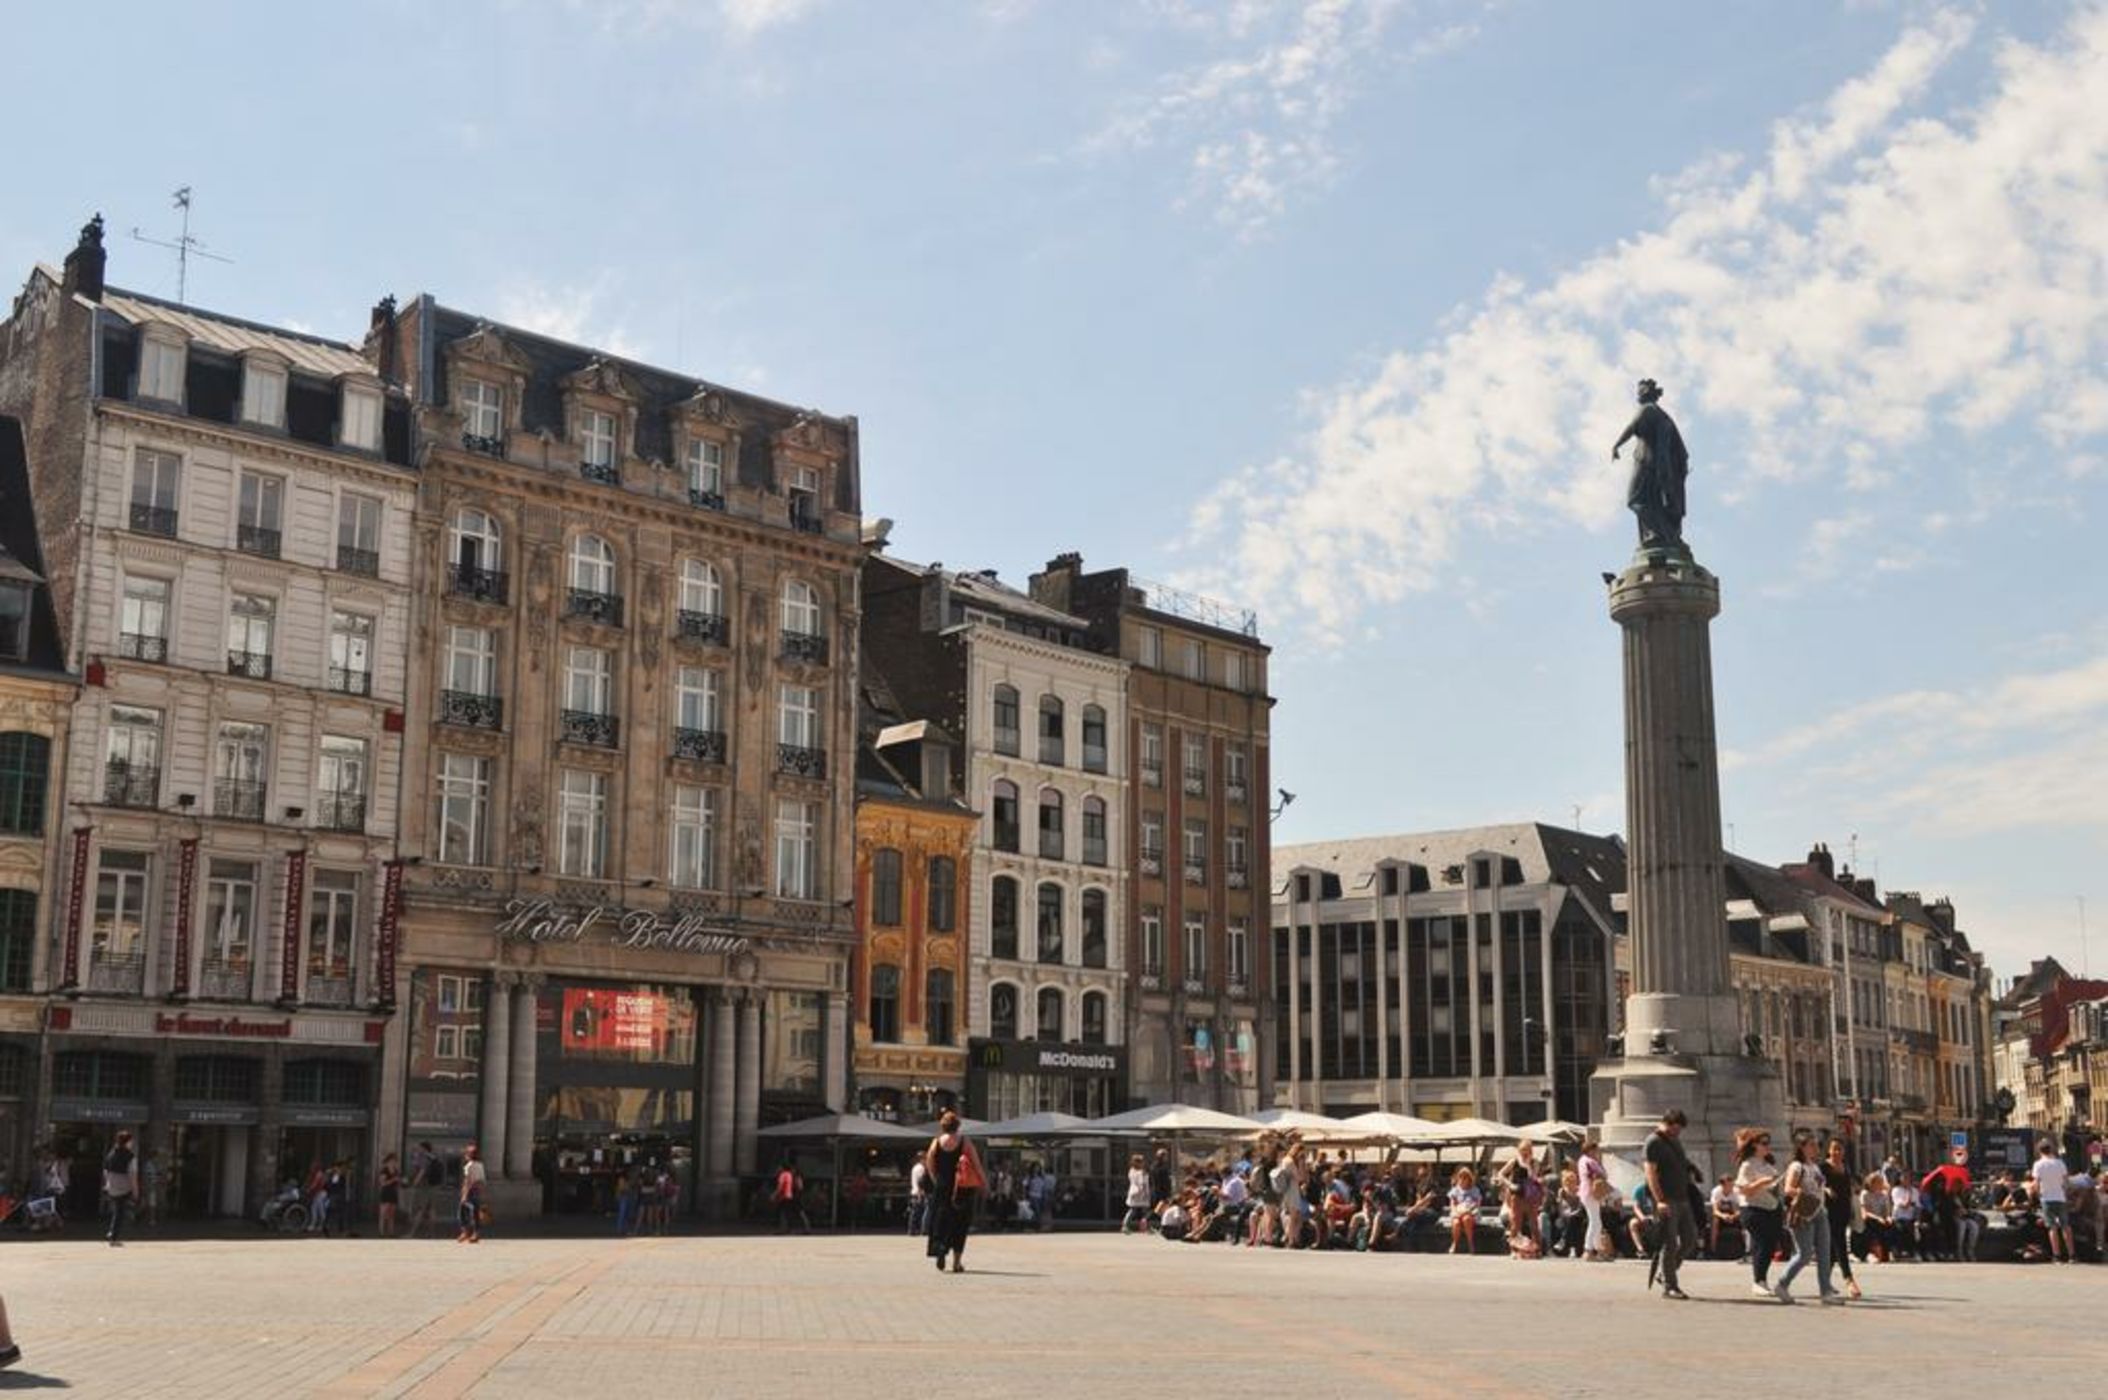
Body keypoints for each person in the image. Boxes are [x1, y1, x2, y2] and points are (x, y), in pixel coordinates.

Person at [1774, 1136, 1842, 1305]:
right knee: (1804, 1254)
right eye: (1811, 1145)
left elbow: (1816, 1185)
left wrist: (1825, 1190)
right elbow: (1788, 1188)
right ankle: (1782, 1284)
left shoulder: (1815, 1166)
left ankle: (1826, 1292)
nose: (1816, 1148)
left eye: (1816, 1145)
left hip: (1820, 1211)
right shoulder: (1797, 1166)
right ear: (1802, 1147)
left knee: (1825, 1253)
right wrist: (1801, 1194)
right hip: (1803, 1212)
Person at [1640, 1109, 1699, 1300]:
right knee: (1670, 1243)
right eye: (1677, 1128)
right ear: (1668, 1123)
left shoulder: (1674, 1140)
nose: (1678, 1132)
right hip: (1667, 1199)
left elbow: (1680, 1161)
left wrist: (1692, 1169)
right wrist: (1659, 1200)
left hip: (1682, 1197)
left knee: (1690, 1239)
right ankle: (1670, 1286)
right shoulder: (1653, 1142)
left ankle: (1664, 1273)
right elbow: (1650, 1172)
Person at [923, 1110, 984, 1274]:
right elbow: (976, 1164)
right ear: (957, 1125)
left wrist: (936, 1180)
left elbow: (929, 1162)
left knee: (940, 1220)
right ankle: (957, 1263)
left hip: (942, 1187)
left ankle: (941, 1249)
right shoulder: (964, 1141)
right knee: (960, 1223)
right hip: (961, 1188)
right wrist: (983, 1183)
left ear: (943, 1126)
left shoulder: (936, 1141)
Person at [1733, 1128, 1783, 1296]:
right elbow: (1743, 1190)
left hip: (1771, 1207)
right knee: (1762, 1244)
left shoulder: (1767, 1164)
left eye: (1768, 1143)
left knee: (1769, 1245)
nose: (1767, 1146)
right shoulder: (1748, 1164)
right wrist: (1762, 1182)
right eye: (1764, 1143)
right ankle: (1758, 1281)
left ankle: (1762, 1280)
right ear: (1754, 1145)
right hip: (1754, 1209)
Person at [1821, 1139, 1862, 1301]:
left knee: (1833, 1249)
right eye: (1834, 1149)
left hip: (1844, 1209)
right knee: (1840, 1244)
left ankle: (1825, 1282)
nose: (1837, 1152)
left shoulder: (1846, 1167)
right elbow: (1816, 1184)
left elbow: (1848, 1188)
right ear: (1829, 1150)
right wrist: (1826, 1189)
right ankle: (1849, 1280)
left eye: (1840, 1149)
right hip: (1829, 1210)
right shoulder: (1823, 1167)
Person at [2031, 1136, 2074, 1263]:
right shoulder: (2060, 1163)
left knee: (2052, 1228)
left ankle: (2057, 1256)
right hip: (2060, 1197)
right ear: (2051, 1150)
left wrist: (2039, 1195)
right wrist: (2065, 1194)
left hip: (2046, 1198)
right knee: (2066, 1227)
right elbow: (2066, 1182)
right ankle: (2072, 1255)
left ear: (2040, 1151)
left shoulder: (2038, 1164)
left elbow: (2036, 1183)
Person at [1576, 1139, 1614, 1261]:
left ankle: (1597, 1250)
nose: (1597, 1152)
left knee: (1596, 1221)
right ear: (1590, 1150)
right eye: (1596, 1150)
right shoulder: (1590, 1161)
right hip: (1592, 1192)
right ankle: (1589, 1250)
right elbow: (1603, 1174)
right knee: (1595, 1222)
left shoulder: (1581, 1160)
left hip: (1585, 1192)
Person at [103, 1129, 139, 1247]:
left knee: (117, 1210)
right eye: (131, 1141)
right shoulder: (131, 1157)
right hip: (124, 1187)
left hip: (112, 1186)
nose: (132, 1143)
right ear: (127, 1142)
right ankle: (113, 1236)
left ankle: (112, 1232)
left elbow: (105, 1170)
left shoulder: (111, 1154)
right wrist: (135, 1191)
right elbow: (133, 1175)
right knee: (120, 1212)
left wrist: (108, 1183)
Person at [1857, 1171, 1895, 1262]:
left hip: (1881, 1219)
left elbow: (1886, 1211)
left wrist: (1888, 1217)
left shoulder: (1884, 1195)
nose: (1880, 1185)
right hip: (1870, 1219)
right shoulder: (1865, 1194)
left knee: (1891, 1225)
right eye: (1878, 1182)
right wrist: (1878, 1218)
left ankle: (1890, 1251)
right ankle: (1872, 1253)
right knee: (1874, 1225)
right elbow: (1865, 1212)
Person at [407, 1142, 442, 1238]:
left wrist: (415, 1183)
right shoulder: (434, 1157)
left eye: (420, 1148)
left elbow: (422, 1171)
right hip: (434, 1186)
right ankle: (431, 1233)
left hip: (425, 1187)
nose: (418, 1149)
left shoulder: (423, 1158)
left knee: (420, 1209)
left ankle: (411, 1233)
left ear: (424, 1148)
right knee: (431, 1209)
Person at [1447, 1168, 1481, 1255]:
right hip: (1458, 1212)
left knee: (1466, 1219)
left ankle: (1470, 1244)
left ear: (1469, 1179)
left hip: (1470, 1212)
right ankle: (1454, 1243)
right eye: (1460, 1177)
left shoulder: (1475, 1190)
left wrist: (1468, 1209)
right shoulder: (1455, 1190)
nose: (1462, 1179)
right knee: (1456, 1223)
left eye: (1465, 1177)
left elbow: (1477, 1204)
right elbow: (1452, 1204)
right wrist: (1456, 1211)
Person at [456, 1143, 486, 1244]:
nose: (465, 1155)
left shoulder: (469, 1166)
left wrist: (464, 1195)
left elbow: (467, 1181)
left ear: (469, 1155)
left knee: (461, 1212)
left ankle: (465, 1232)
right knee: (475, 1213)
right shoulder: (480, 1165)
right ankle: (476, 1234)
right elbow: (482, 1180)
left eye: (466, 1153)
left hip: (470, 1191)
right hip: (477, 1190)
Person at [1708, 1175, 1742, 1260]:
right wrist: (1723, 1216)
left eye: (1732, 1184)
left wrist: (1733, 1216)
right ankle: (1713, 1249)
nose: (1731, 1187)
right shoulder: (1716, 1192)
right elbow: (1715, 1210)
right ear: (1722, 1185)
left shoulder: (1736, 1191)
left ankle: (1745, 1249)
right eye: (1729, 1185)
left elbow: (1739, 1210)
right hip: (1720, 1214)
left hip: (1733, 1214)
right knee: (1715, 1221)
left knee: (1744, 1220)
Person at [771, 1160, 809, 1234]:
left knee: (786, 1212)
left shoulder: (786, 1175)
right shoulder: (793, 1175)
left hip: (789, 1197)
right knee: (795, 1213)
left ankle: (786, 1229)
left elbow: (781, 1187)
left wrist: (775, 1195)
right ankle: (802, 1228)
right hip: (793, 1196)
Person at [1122, 1153, 1151, 1234]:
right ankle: (1143, 1227)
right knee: (1143, 1211)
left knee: (1134, 1210)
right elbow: (1143, 1183)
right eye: (1141, 1162)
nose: (1143, 1163)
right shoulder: (1141, 1172)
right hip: (1140, 1193)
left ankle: (1126, 1225)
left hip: (1133, 1192)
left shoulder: (1131, 1171)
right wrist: (1145, 1193)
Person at [377, 1153, 402, 1238]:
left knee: (391, 1214)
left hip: (393, 1192)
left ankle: (391, 1232)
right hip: (386, 1192)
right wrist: (393, 1179)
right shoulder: (384, 1171)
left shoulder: (396, 1170)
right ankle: (381, 1232)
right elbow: (382, 1183)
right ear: (388, 1161)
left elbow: (397, 1182)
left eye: (395, 1161)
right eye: (392, 1160)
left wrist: (400, 1181)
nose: (394, 1162)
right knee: (383, 1213)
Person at [907, 1157, 931, 1237]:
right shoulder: (921, 1168)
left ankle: (912, 1230)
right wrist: (921, 1192)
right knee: (922, 1212)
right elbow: (921, 1181)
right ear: (922, 1159)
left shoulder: (914, 1168)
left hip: (914, 1191)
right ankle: (923, 1229)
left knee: (915, 1212)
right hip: (919, 1193)